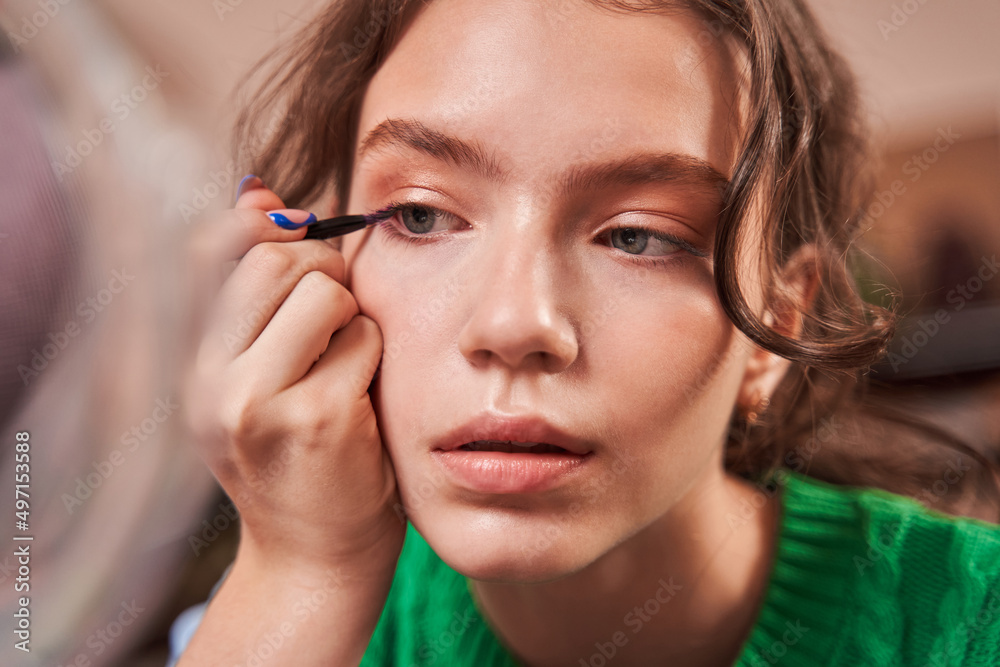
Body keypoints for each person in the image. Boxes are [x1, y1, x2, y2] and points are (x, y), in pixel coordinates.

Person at [173, 0, 1000, 665]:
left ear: (775, 330)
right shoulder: (301, 616)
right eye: (420, 216)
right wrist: (301, 573)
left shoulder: (974, 625)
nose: (513, 324)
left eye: (637, 236)